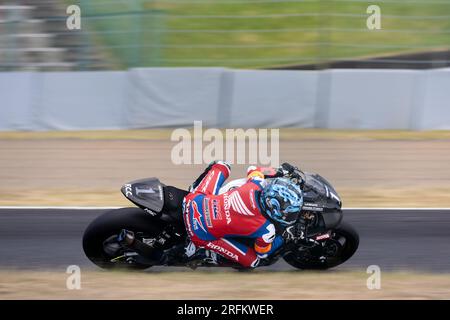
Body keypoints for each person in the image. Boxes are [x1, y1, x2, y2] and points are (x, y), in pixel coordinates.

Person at [182, 161, 304, 268]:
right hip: (199, 233)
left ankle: (194, 187)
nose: (291, 215)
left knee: (222, 165)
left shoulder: (257, 184)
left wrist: (279, 171)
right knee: (253, 261)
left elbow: (253, 169)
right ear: (274, 209)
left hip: (192, 201)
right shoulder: (267, 229)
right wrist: (285, 235)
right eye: (289, 212)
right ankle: (207, 254)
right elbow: (262, 253)